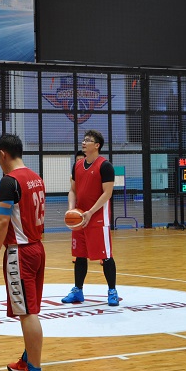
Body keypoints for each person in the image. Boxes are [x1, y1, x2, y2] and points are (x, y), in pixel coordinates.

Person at [0, 133, 47, 371]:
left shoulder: (9, 181)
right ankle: (27, 358)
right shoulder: (36, 177)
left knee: (27, 313)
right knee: (30, 309)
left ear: (2, 154)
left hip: (20, 252)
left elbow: (2, 221)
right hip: (37, 248)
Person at [64, 129, 119, 306]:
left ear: (97, 145)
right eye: (84, 139)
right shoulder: (77, 166)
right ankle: (78, 291)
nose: (84, 142)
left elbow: (107, 193)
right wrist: (71, 210)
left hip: (98, 218)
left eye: (88, 140)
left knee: (106, 256)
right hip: (80, 218)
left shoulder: (105, 166)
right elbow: (72, 190)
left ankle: (112, 291)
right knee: (80, 256)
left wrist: (90, 212)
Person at [71, 150, 85, 264]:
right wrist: (71, 209)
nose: (79, 161)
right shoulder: (74, 172)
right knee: (77, 231)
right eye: (77, 160)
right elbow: (72, 190)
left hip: (93, 209)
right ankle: (77, 255)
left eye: (81, 159)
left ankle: (102, 256)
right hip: (79, 207)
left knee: (95, 235)